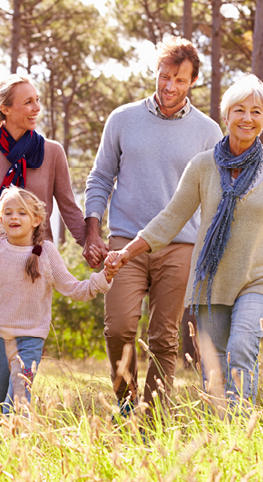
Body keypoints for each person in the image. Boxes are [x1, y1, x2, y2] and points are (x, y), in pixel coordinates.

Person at [106, 74, 263, 407]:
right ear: (227, 115)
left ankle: (239, 428)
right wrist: (127, 252)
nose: (247, 118)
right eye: (239, 110)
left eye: (256, 112)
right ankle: (223, 434)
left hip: (260, 276)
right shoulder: (202, 166)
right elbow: (171, 218)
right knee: (215, 364)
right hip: (213, 279)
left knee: (242, 346)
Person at [84, 36, 223, 413]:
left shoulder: (208, 132)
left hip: (180, 245)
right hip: (125, 242)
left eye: (179, 80)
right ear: (156, 73)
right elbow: (100, 178)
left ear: (192, 81)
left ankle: (154, 414)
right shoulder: (123, 119)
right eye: (164, 77)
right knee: (119, 327)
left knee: (163, 337)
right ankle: (126, 404)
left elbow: (215, 196)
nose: (169, 86)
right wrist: (92, 230)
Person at [0, 75, 90, 398]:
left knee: (28, 343)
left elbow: (69, 207)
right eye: (28, 102)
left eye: (37, 100)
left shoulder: (52, 152)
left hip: (34, 260)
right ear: (5, 109)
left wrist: (89, 244)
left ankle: (17, 409)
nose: (36, 108)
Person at [0, 187, 113, 412]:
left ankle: (18, 440)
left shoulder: (46, 253)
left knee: (18, 401)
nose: (14, 217)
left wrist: (104, 277)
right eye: (8, 213)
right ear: (1, 218)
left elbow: (74, 289)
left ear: (36, 220)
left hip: (30, 340)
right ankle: (3, 443)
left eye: (22, 213)